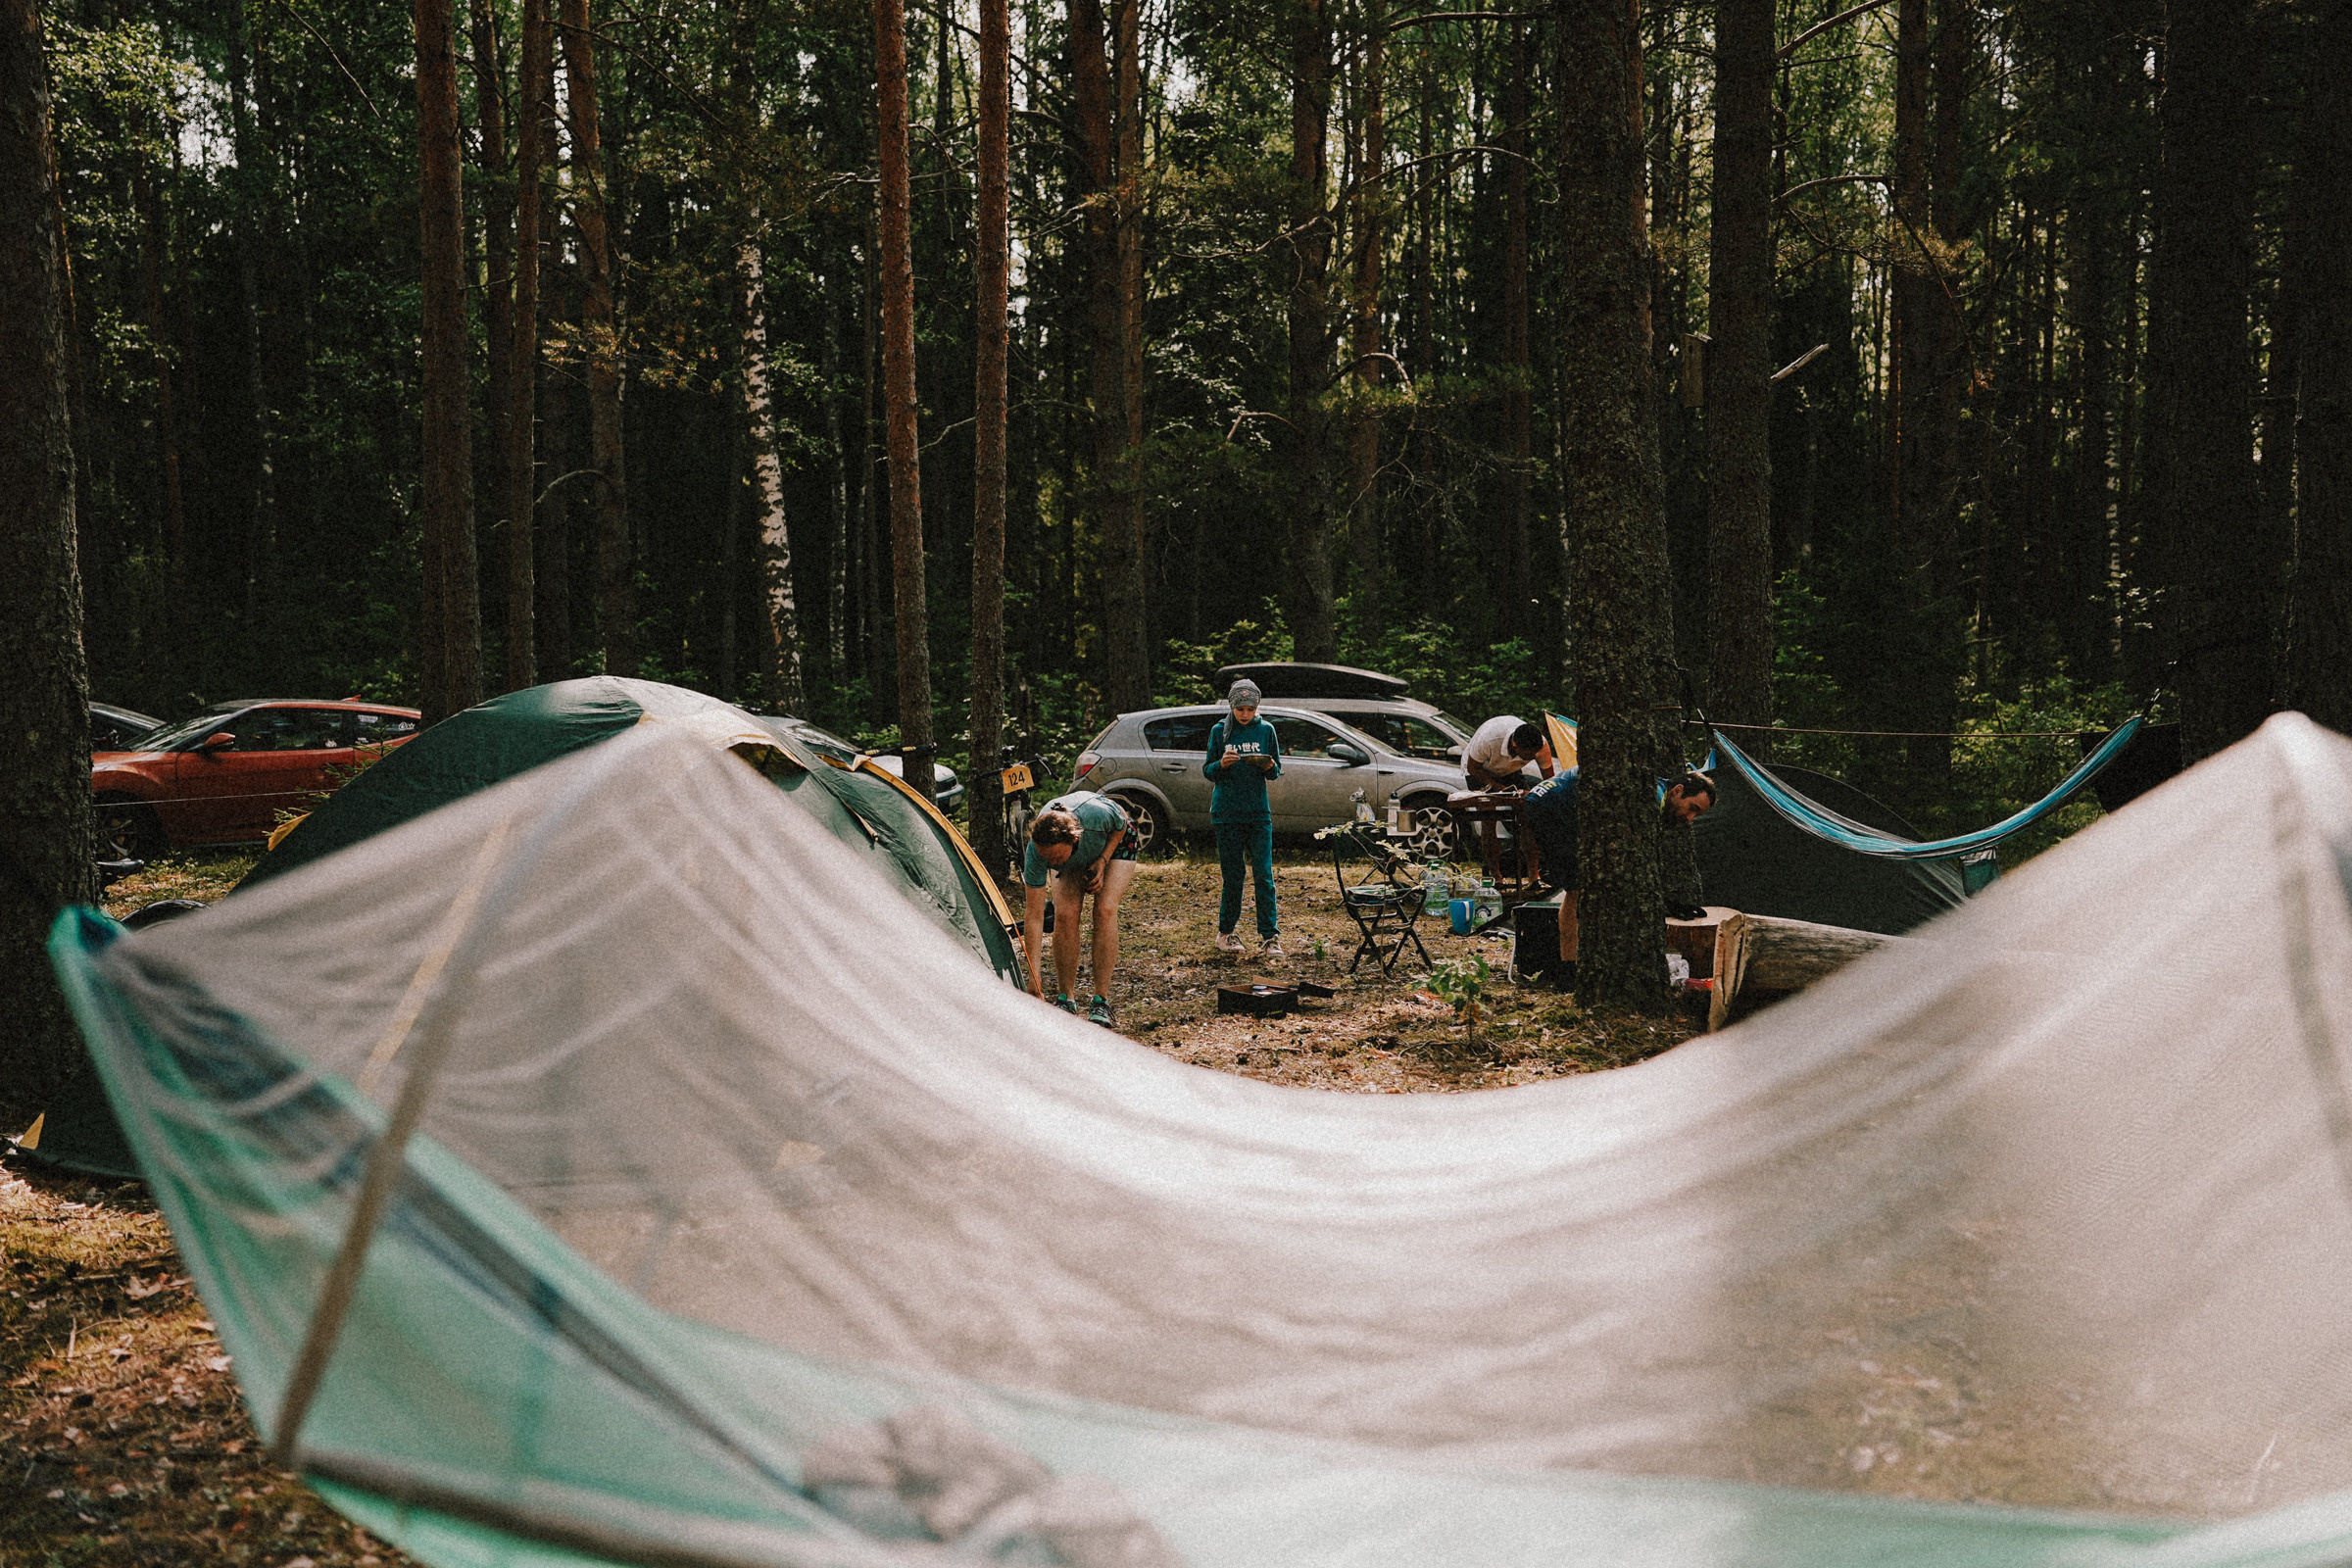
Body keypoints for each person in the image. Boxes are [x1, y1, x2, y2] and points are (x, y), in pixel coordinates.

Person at [1522, 767, 1717, 981]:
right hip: (1552, 805)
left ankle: (1575, 964)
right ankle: (1568, 971)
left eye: (1697, 815)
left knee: (1591, 884)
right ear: (1677, 791)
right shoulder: (1650, 799)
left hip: (1557, 802)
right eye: (1692, 808)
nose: (1690, 818)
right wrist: (1666, 903)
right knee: (1578, 889)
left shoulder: (1658, 794)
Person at [1022, 791, 1139, 1027]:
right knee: (1065, 915)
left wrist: (1103, 860)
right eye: (1047, 859)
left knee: (1104, 910)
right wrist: (1034, 977)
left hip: (1115, 841)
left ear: (1073, 839)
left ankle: (1101, 1001)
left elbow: (1122, 823)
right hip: (1077, 852)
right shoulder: (1038, 852)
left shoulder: (1098, 816)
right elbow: (1034, 916)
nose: (1051, 863)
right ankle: (1067, 998)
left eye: (1055, 857)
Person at [1203, 679, 1284, 960]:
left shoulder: (1266, 729)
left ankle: (1270, 937)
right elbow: (1208, 770)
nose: (1245, 714)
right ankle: (1226, 932)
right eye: (1240, 709)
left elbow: (1276, 770)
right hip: (1226, 813)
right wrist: (1221, 764)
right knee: (1234, 875)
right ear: (1232, 706)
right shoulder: (1219, 731)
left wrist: (1270, 766)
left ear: (1257, 707)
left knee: (1264, 874)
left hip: (1258, 813)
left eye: (1250, 709)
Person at [1463, 715, 1555, 791]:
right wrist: (1500, 788)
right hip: (1478, 769)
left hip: (1508, 770)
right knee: (1489, 805)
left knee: (1525, 801)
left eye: (1536, 752)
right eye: (1529, 754)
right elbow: (1473, 768)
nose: (1534, 756)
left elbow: (1550, 780)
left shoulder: (1541, 745)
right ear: (1515, 747)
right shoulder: (1489, 740)